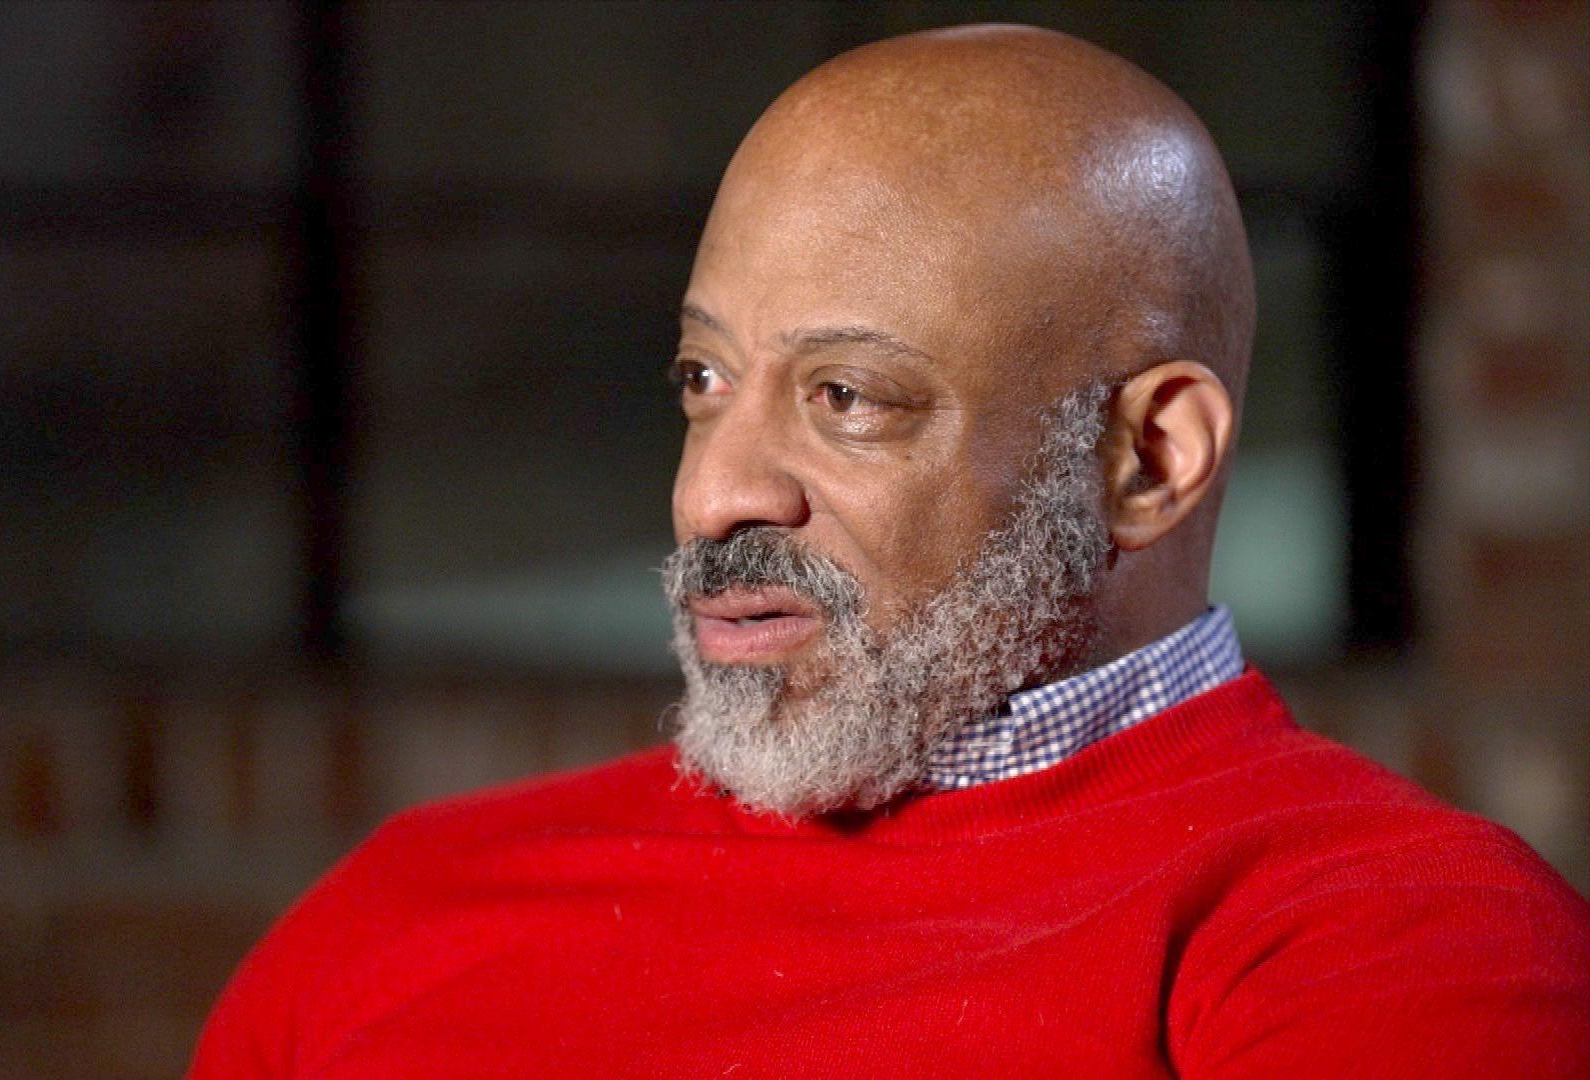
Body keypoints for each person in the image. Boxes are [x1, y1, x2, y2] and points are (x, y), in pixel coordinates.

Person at [192, 25, 1590, 1076]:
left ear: (1149, 458)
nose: (716, 495)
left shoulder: (1387, 945)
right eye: (703, 381)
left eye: (847, 398)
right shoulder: (400, 910)